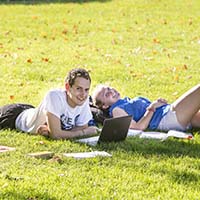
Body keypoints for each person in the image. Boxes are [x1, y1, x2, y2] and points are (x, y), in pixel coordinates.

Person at [0, 68, 98, 139]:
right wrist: (83, 133)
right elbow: (56, 135)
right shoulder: (54, 96)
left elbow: (80, 126)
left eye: (86, 90)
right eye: (78, 89)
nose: (83, 94)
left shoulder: (82, 100)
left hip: (31, 111)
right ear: (68, 87)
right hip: (13, 116)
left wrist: (55, 131)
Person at [92, 84, 200, 132]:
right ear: (105, 105)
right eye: (107, 94)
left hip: (170, 113)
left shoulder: (125, 101)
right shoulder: (116, 110)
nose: (111, 91)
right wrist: (152, 108)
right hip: (167, 118)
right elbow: (137, 127)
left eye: (109, 88)